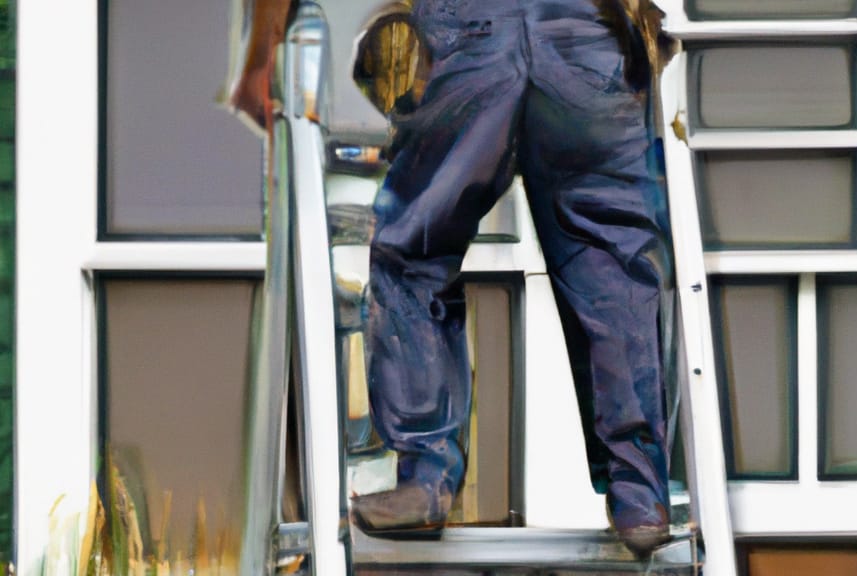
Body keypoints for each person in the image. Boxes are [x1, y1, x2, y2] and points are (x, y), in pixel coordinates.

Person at [230, 0, 678, 557]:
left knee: (414, 249)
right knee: (615, 267)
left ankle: (426, 477)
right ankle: (640, 492)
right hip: (589, 33)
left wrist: (261, 59)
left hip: (473, 28)